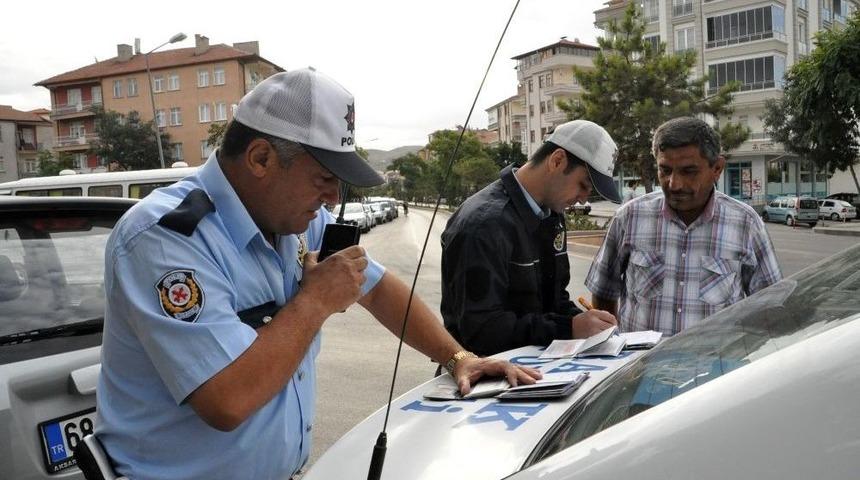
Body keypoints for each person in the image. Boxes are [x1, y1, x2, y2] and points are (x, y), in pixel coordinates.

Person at [95, 68, 540, 480]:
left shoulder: (298, 217)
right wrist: (314, 300)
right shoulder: (167, 238)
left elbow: (378, 287)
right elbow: (227, 400)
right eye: (324, 178)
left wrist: (459, 358)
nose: (333, 197)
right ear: (261, 158)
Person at [585, 117, 782, 336]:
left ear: (717, 168)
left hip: (717, 366)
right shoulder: (629, 218)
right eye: (665, 170)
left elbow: (769, 306)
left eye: (689, 172)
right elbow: (604, 291)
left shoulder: (746, 224)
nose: (674, 184)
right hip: (639, 366)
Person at [440, 120, 622, 357]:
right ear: (557, 161)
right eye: (583, 185)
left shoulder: (551, 214)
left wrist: (584, 320)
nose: (583, 199)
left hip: (536, 371)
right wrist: (568, 328)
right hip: (485, 379)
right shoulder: (483, 224)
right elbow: (479, 330)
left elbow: (553, 300)